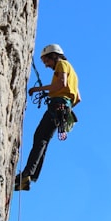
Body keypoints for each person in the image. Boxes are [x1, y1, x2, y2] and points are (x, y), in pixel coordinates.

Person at [15, 43, 80, 191]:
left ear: (53, 55)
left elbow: (61, 84)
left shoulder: (62, 64)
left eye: (47, 61)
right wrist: (65, 107)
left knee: (40, 138)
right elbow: (78, 98)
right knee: (43, 140)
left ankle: (27, 175)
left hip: (57, 106)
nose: (46, 65)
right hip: (63, 107)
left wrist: (38, 89)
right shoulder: (73, 73)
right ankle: (30, 176)